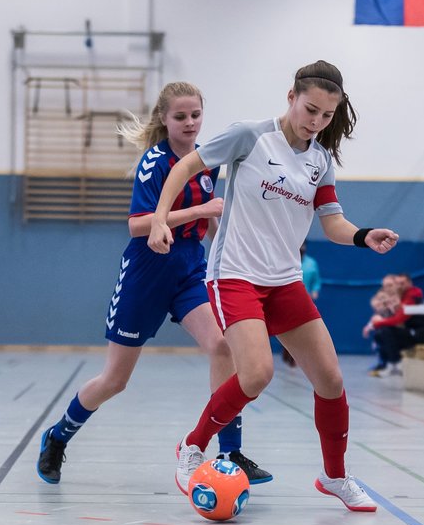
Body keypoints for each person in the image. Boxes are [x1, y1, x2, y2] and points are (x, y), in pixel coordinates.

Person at [147, 60, 399, 512]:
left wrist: (364, 236)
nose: (316, 121)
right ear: (291, 96)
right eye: (310, 109)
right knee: (257, 373)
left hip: (284, 281)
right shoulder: (251, 135)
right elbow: (185, 165)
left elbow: (333, 222)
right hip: (235, 274)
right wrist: (161, 219)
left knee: (331, 379)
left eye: (326, 115)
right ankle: (192, 445)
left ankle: (335, 476)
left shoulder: (320, 161)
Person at [36, 82, 271, 486]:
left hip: (190, 269)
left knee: (222, 345)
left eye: (196, 115)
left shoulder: (207, 160)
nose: (190, 123)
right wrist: (199, 208)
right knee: (115, 380)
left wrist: (230, 252)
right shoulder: (155, 162)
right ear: (165, 118)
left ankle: (230, 451)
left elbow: (212, 220)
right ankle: (58, 436)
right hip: (147, 275)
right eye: (181, 116)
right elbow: (138, 224)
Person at [282, 242, 321, 367]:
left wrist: (315, 290)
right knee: (286, 327)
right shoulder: (286, 260)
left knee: (301, 328)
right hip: (286, 299)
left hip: (305, 299)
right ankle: (287, 351)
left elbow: (316, 280)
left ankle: (296, 356)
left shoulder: (311, 263)